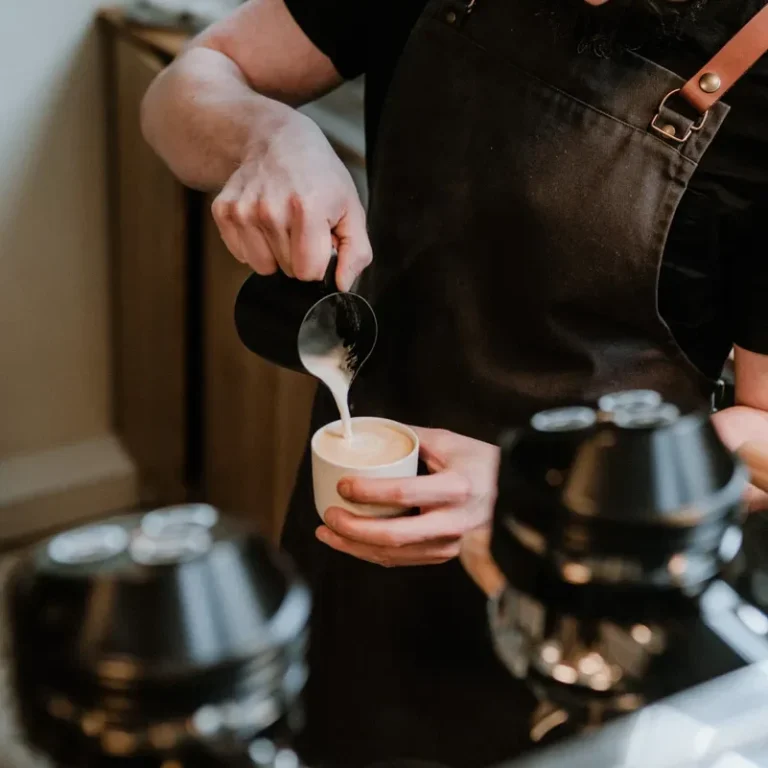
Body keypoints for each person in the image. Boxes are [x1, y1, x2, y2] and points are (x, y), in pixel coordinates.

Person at [141, 0, 768, 764]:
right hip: (357, 541)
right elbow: (185, 85)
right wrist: (267, 134)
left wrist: (546, 488)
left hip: (584, 605)